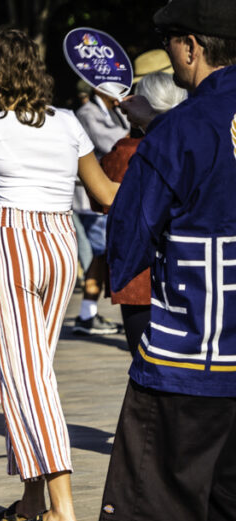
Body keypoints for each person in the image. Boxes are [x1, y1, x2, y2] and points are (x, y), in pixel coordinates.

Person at [93, 2, 236, 521]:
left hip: (191, 357)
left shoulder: (182, 129)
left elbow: (127, 243)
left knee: (169, 502)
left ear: (189, 48)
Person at [0, 29, 117, 521]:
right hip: (60, 242)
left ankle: (62, 507)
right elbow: (103, 193)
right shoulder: (70, 121)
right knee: (28, 371)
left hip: (14, 238)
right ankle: (32, 495)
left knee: (28, 376)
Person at [100, 71, 186, 357]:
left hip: (138, 276)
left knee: (144, 362)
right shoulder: (195, 141)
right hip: (188, 273)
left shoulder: (124, 151)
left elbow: (102, 200)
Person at [72, 82, 131, 336]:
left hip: (107, 194)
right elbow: (113, 143)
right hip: (91, 198)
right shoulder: (87, 113)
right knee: (101, 252)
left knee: (101, 254)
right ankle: (87, 314)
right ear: (98, 89)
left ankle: (88, 313)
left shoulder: (113, 110)